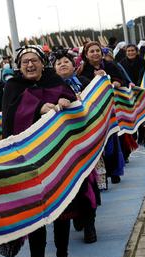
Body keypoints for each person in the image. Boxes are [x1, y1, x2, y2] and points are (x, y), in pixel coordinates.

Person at [1, 45, 78, 257]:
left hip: (57, 155)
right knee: (37, 212)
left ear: (42, 62)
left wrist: (66, 99)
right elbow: (10, 117)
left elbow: (70, 96)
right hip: (29, 160)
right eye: (25, 62)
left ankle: (63, 256)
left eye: (34, 60)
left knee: (62, 207)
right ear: (18, 66)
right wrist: (37, 109)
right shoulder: (12, 86)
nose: (30, 65)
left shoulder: (53, 79)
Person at [52, 49, 101, 244]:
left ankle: (90, 225)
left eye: (66, 61)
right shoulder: (51, 89)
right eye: (58, 63)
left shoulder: (87, 84)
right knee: (70, 185)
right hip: (64, 148)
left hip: (87, 142)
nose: (62, 64)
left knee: (90, 183)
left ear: (74, 65)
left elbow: (96, 103)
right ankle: (77, 217)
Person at [78, 41, 125, 185]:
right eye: (91, 51)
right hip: (93, 113)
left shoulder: (110, 65)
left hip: (110, 109)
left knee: (113, 139)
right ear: (86, 55)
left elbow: (119, 78)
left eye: (97, 50)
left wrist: (115, 81)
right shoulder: (82, 70)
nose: (95, 54)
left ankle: (115, 172)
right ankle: (101, 177)